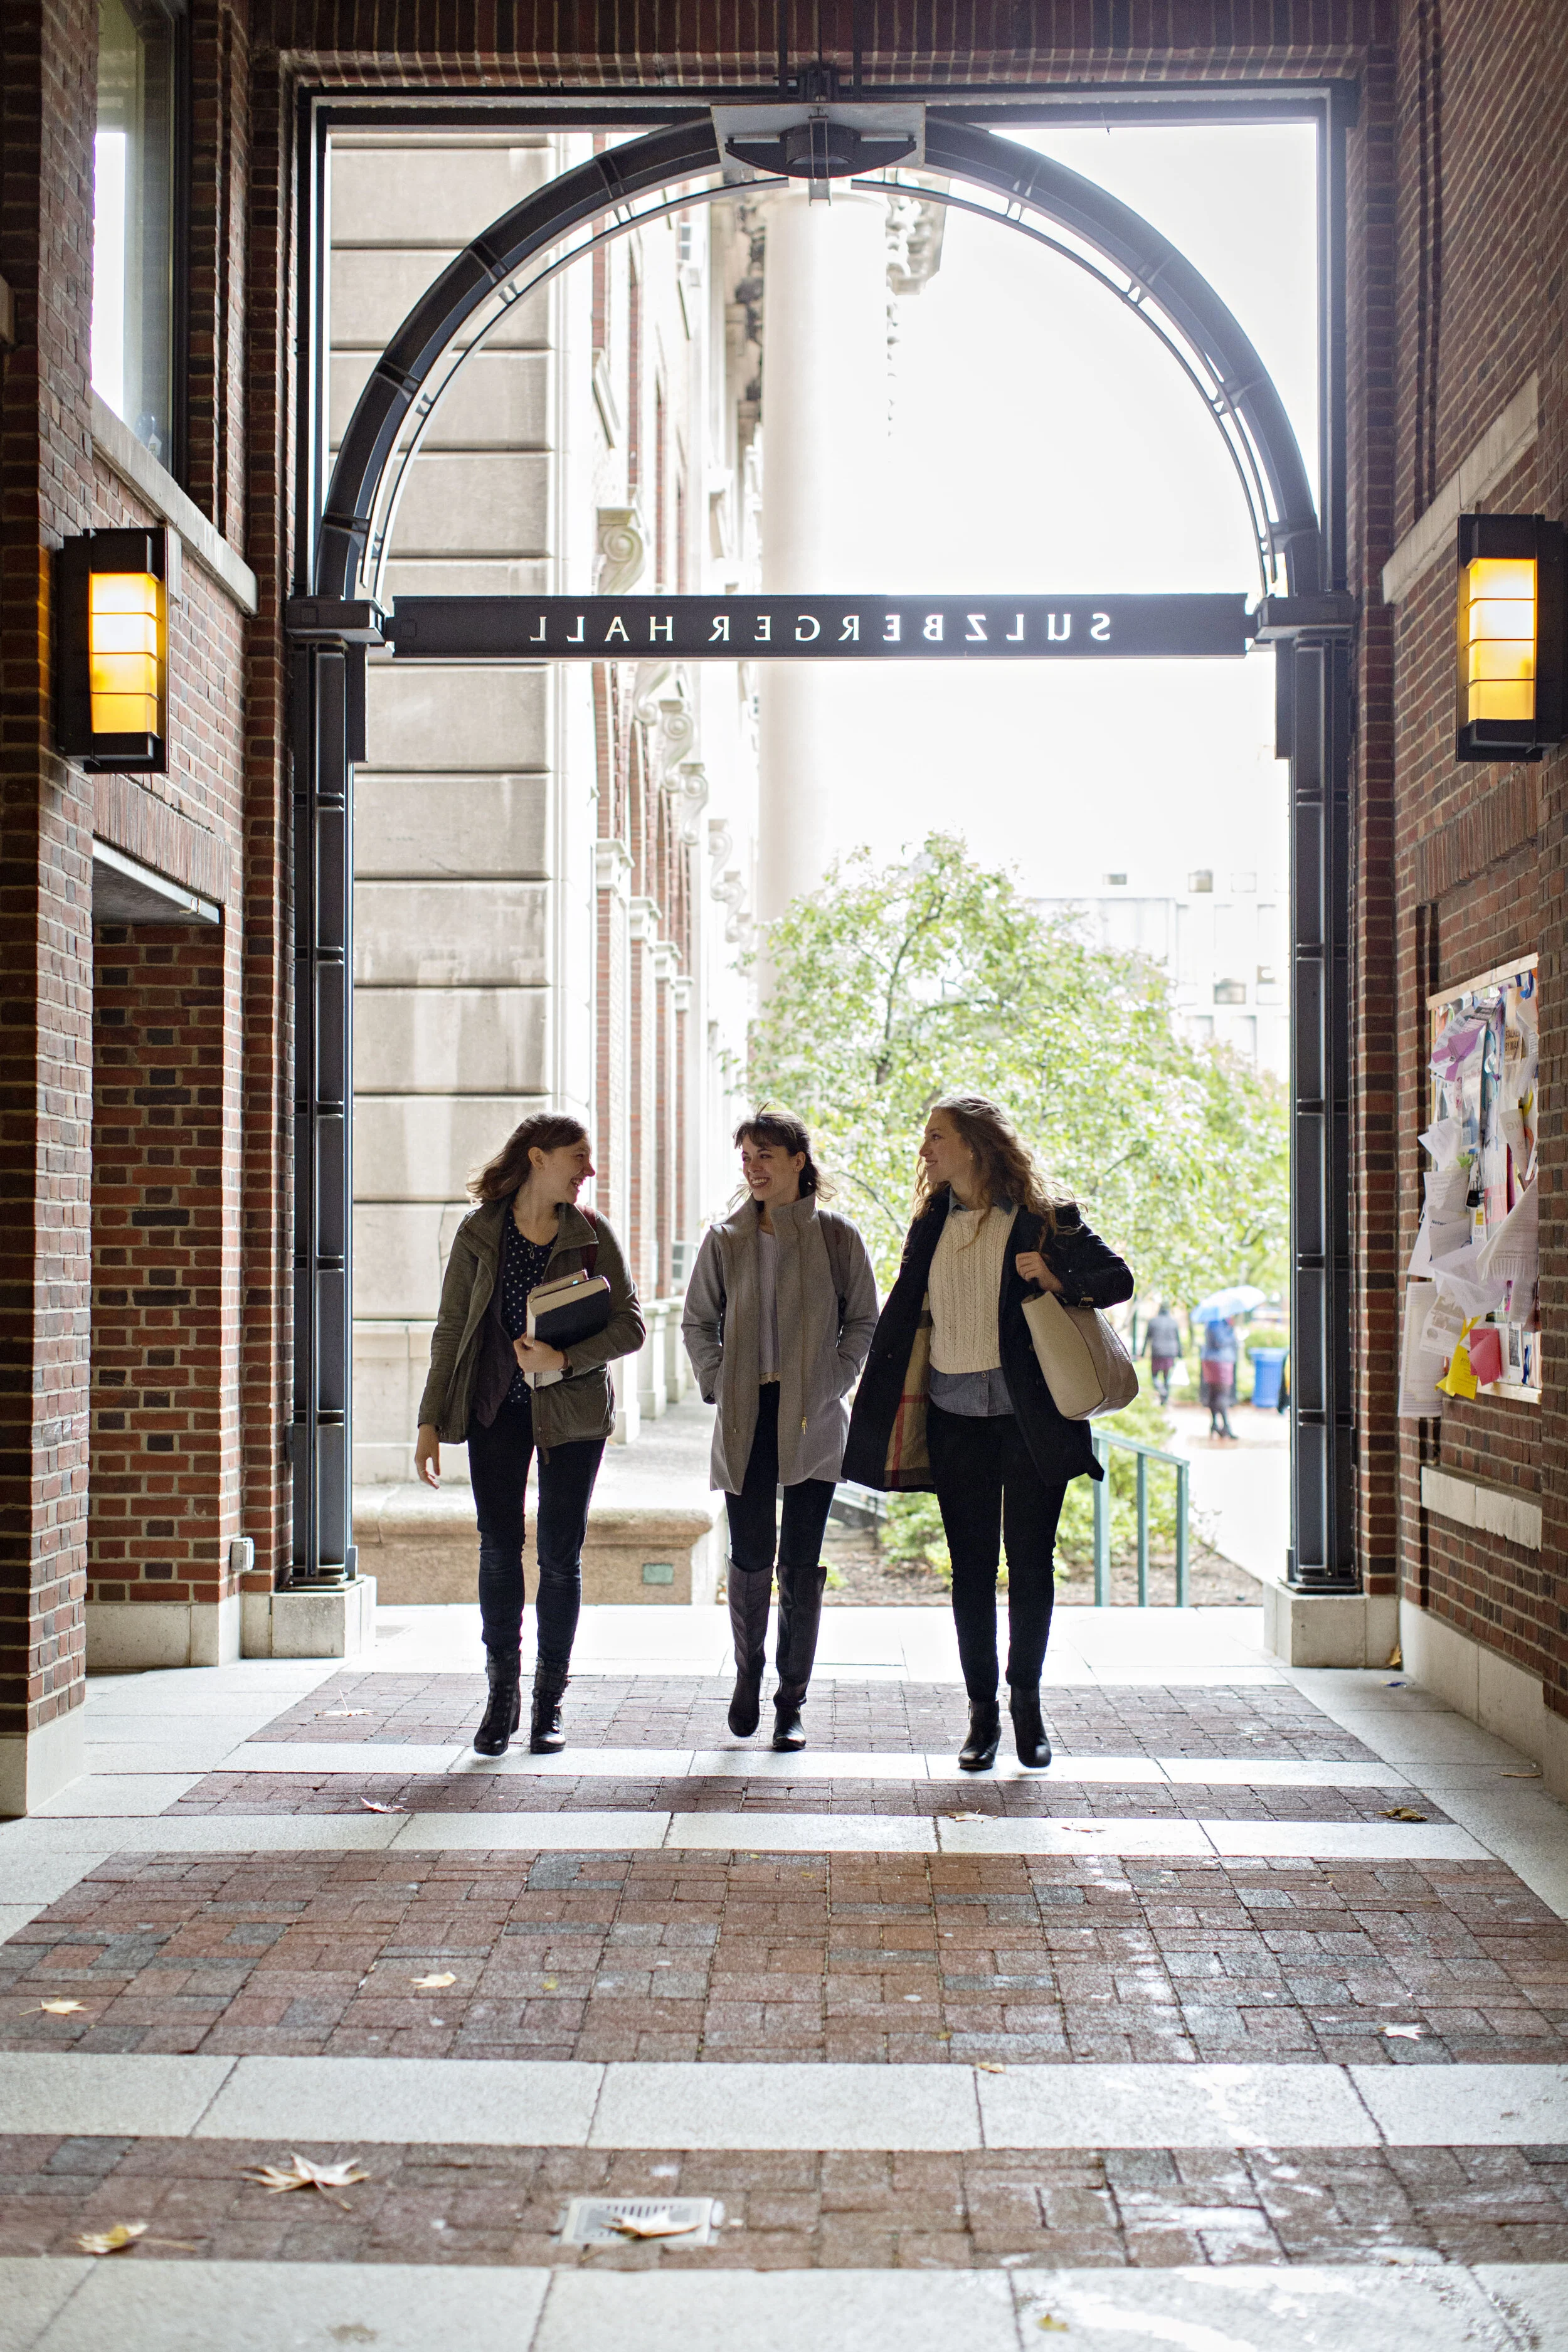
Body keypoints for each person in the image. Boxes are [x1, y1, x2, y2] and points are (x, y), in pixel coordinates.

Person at [844, 1094, 1133, 1774]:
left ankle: (1026, 1705)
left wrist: (1056, 1278)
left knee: (1030, 1564)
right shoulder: (931, 1221)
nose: (925, 1151)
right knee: (970, 1570)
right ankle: (982, 1715)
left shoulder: (1041, 1220)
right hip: (952, 1420)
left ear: (974, 1145)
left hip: (1028, 1420)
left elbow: (1116, 1279)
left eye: (936, 1138)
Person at [414, 1113, 644, 1758]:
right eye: (579, 1156)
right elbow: (451, 1326)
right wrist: (430, 1421)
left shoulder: (591, 1235)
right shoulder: (481, 1232)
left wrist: (564, 1361)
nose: (588, 1169)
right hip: (496, 1407)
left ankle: (548, 1707)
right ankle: (501, 1698)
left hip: (573, 1415)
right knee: (497, 1548)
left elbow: (630, 1326)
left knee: (559, 1557)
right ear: (538, 1158)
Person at [682, 1109, 878, 1751]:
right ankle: (747, 1676)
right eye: (746, 1158)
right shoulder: (725, 1239)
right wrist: (717, 1380)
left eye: (766, 1155)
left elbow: (864, 1323)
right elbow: (696, 1323)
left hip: (814, 1416)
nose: (754, 1168)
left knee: (799, 1562)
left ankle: (791, 1701)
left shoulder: (836, 1238)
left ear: (798, 1160)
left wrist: (833, 1380)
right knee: (748, 1557)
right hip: (746, 1414)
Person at [1199, 1315, 1239, 1439]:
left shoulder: (1212, 1322)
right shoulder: (1217, 1323)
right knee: (1222, 1394)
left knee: (1214, 1394)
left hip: (1212, 1360)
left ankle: (1215, 1425)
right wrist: (1232, 1333)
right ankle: (1226, 1426)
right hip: (1221, 1361)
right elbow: (1220, 1341)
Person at [1142, 1301, 1182, 1406]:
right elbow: (1178, 1339)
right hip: (1170, 1353)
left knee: (1155, 1376)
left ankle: (1161, 1391)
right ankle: (1164, 1397)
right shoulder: (1173, 1322)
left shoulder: (1153, 1321)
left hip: (1157, 1352)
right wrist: (1180, 1354)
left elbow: (1147, 1338)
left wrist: (1142, 1353)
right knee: (1166, 1377)